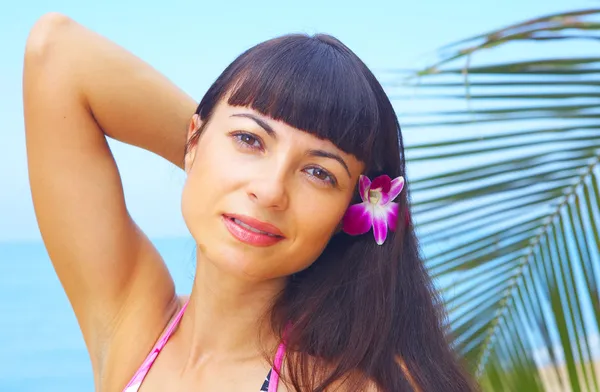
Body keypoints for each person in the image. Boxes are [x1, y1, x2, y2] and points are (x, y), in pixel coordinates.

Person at [23, 13, 476, 392]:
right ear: (194, 139)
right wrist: (203, 159)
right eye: (248, 139)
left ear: (348, 216)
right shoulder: (135, 324)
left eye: (319, 173)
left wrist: (221, 154)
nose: (271, 189)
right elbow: (56, 51)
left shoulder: (343, 384)